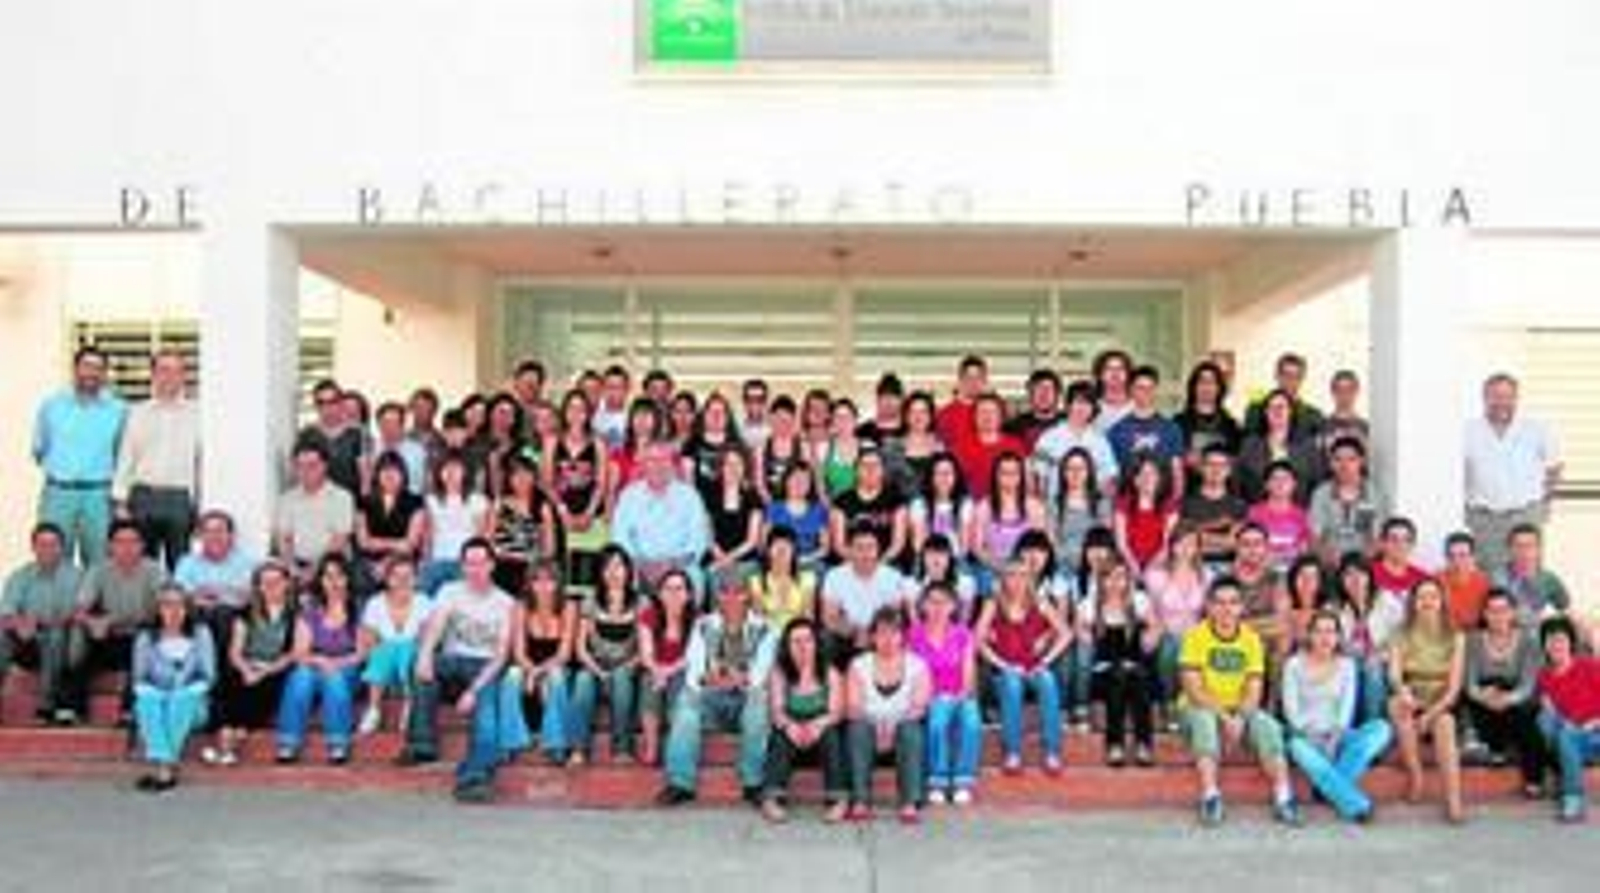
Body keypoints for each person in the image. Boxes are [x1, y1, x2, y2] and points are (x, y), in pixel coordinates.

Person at [1178, 577, 1301, 827]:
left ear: (1241, 607)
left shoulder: (1250, 640)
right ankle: (1210, 796)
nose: (1226, 609)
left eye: (1233, 603)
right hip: (1200, 705)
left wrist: (1242, 718)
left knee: (1267, 725)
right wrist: (1225, 718)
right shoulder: (1195, 637)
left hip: (1239, 708)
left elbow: (1254, 690)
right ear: (1209, 606)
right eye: (1220, 603)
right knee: (1204, 721)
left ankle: (1283, 796)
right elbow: (1193, 690)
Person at [403, 538, 517, 802]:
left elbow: (501, 656)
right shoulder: (449, 591)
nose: (474, 569)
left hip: (485, 667)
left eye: (480, 563)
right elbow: (435, 628)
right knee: (419, 663)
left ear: (492, 566)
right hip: (453, 660)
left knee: (487, 710)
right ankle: (422, 744)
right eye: (469, 563)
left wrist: (474, 691)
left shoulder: (506, 603)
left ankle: (474, 777)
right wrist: (424, 655)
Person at [657, 574, 777, 807]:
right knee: (687, 702)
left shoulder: (765, 628)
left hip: (745, 700)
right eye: (725, 592)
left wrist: (728, 679)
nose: (731, 598)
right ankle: (680, 783)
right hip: (711, 699)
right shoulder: (703, 626)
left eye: (738, 592)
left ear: (748, 596)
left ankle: (753, 782)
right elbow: (695, 673)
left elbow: (759, 675)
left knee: (758, 700)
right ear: (717, 597)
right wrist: (720, 679)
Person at [1281, 610, 1393, 823]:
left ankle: (1327, 789)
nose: (1325, 637)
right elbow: (1292, 713)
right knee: (1298, 749)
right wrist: (1315, 735)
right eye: (1319, 631)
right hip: (1306, 738)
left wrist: (1336, 735)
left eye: (1331, 631)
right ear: (1309, 635)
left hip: (1339, 736)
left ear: (1339, 637)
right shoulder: (1294, 665)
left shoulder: (1346, 665)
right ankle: (1356, 805)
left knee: (1381, 728)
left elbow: (1346, 708)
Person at [32, 345, 126, 567]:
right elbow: (39, 449)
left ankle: (91, 604)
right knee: (51, 559)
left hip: (99, 496)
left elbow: (123, 454)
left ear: (105, 374)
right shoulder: (51, 406)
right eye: (86, 366)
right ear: (75, 369)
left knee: (100, 562)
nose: (91, 373)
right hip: (58, 493)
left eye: (98, 368)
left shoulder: (119, 410)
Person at [977, 562, 1070, 775]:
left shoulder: (1040, 602)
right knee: (1012, 683)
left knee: (1047, 679)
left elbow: (1066, 633)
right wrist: (1004, 665)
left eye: (1023, 575)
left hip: (1033, 667)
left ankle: (1052, 752)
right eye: (1011, 574)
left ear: (1030, 579)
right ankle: (1013, 752)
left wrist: (1046, 660)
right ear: (1004, 579)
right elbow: (977, 640)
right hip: (1004, 671)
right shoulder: (993, 603)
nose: (1017, 580)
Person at [1463, 372, 1560, 572]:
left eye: (1507, 396)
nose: (1501, 402)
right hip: (1484, 519)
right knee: (1490, 577)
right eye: (1495, 396)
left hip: (1525, 514)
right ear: (1485, 397)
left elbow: (1554, 467)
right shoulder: (1468, 430)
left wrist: (1544, 505)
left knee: (1529, 577)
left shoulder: (1535, 429)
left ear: (1516, 398)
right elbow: (1458, 473)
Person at [1388, 578, 1467, 823]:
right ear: (1413, 602)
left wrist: (1431, 714)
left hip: (1442, 698)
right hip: (1413, 693)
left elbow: (1454, 689)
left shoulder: (1456, 635)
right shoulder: (1401, 632)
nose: (1427, 602)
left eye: (1433, 596)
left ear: (1442, 600)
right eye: (1422, 597)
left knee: (1445, 724)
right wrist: (1403, 691)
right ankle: (1416, 774)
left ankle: (1453, 799)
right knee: (1396, 704)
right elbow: (1394, 673)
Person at [70, 520, 166, 722]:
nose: (127, 548)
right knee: (81, 644)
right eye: (120, 542)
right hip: (110, 634)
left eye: (133, 542)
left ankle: (128, 711)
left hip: (142, 634)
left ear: (142, 546)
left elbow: (168, 606)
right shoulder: (99, 570)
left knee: (142, 644)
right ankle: (72, 708)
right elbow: (79, 610)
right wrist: (92, 622)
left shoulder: (155, 570)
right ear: (110, 546)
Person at [202, 560, 296, 766]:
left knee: (265, 687)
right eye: (265, 582)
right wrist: (246, 669)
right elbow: (235, 652)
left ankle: (228, 744)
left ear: (287, 584)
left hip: (275, 668)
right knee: (232, 680)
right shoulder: (245, 613)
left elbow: (292, 654)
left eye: (277, 581)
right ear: (258, 586)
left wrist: (265, 671)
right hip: (246, 664)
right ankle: (228, 737)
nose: (271, 587)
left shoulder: (295, 615)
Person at [113, 350, 200, 570]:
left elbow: (201, 463)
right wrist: (121, 502)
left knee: (180, 566)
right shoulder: (138, 412)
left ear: (184, 376)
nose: (169, 376)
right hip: (143, 496)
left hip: (179, 498)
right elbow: (126, 456)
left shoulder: (198, 414)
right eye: (163, 370)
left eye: (175, 370)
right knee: (142, 567)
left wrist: (201, 504)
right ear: (153, 374)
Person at [845, 606, 932, 824]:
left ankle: (909, 802)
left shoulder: (917, 665)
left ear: (903, 636)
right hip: (868, 727)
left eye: (894, 632)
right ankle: (860, 801)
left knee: (911, 729)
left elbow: (919, 706)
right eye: (881, 632)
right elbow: (853, 706)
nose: (888, 638)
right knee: (858, 728)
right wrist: (877, 725)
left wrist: (893, 727)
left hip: (902, 728)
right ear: (872, 636)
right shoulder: (859, 665)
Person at [275, 555, 362, 765]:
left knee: (335, 679)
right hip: (314, 663)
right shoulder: (309, 611)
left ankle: (338, 743)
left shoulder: (359, 609)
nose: (333, 582)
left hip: (348, 667)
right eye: (328, 576)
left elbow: (362, 653)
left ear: (348, 579)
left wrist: (335, 665)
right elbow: (299, 652)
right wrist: (322, 662)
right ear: (320, 581)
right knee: (301, 676)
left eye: (339, 576)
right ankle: (288, 743)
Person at [761, 617, 848, 824]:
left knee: (832, 735)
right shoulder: (779, 673)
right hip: (792, 736)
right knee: (780, 735)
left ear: (816, 644)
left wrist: (817, 725)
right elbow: (776, 710)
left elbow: (837, 711)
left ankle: (837, 800)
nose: (802, 647)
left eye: (808, 640)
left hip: (821, 735)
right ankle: (772, 798)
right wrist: (790, 726)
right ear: (787, 646)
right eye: (795, 641)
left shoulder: (830, 673)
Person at [130, 584, 216, 792]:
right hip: (155, 703)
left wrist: (184, 691)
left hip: (193, 705)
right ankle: (166, 767)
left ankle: (162, 765)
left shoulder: (200, 634)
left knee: (181, 698)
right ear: (158, 609)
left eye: (180, 604)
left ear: (188, 608)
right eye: (167, 605)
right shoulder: (146, 638)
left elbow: (209, 676)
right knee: (148, 701)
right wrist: (159, 694)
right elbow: (139, 679)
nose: (174, 611)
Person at [1462, 589, 1545, 796]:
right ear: (1485, 614)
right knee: (1473, 701)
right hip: (1483, 700)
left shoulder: (1528, 641)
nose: (1498, 615)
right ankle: (1494, 746)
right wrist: (1483, 696)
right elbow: (1469, 683)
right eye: (1492, 610)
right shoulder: (1473, 640)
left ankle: (1533, 779)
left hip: (1517, 700)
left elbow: (1528, 685)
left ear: (1513, 613)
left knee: (1525, 719)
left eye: (1503, 609)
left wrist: (1507, 699)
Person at [0, 524, 85, 725]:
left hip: (62, 638)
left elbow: (78, 613)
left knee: (55, 636)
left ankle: (46, 705)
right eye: (42, 544)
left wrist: (39, 622)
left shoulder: (76, 576)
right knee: (2, 638)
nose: (47, 549)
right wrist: (20, 624)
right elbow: (6, 613)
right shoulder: (20, 576)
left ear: (62, 548)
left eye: (53, 544)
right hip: (27, 639)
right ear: (33, 547)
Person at [910, 581, 982, 805]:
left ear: (953, 606)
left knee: (971, 719)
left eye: (944, 602)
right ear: (922, 606)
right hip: (928, 696)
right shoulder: (914, 635)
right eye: (932, 601)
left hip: (960, 695)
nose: (938, 607)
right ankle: (937, 781)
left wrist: (962, 694)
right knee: (938, 719)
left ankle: (963, 780)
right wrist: (933, 697)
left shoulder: (963, 634)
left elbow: (969, 672)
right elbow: (912, 673)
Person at [569, 546, 642, 764]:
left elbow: (644, 650)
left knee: (620, 677)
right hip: (595, 665)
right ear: (600, 572)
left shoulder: (641, 603)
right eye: (607, 566)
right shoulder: (590, 601)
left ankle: (622, 748)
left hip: (627, 668)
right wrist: (599, 672)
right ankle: (578, 749)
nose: (613, 572)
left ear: (628, 570)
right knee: (582, 680)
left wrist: (628, 666)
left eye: (619, 565)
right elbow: (580, 648)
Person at [610, 440, 712, 596]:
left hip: (681, 568)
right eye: (652, 460)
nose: (658, 465)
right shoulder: (629, 496)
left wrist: (670, 565)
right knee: (623, 582)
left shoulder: (690, 496)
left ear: (672, 464)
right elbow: (620, 538)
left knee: (686, 584)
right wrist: (641, 564)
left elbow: (698, 540)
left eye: (664, 459)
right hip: (639, 568)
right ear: (643, 465)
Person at [500, 559, 577, 765]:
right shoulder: (521, 606)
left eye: (549, 580)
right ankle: (511, 742)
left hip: (557, 667)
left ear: (558, 583)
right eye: (537, 580)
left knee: (556, 676)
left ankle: (555, 744)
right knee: (511, 676)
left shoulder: (569, 607)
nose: (543, 587)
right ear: (530, 584)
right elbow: (518, 651)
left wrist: (541, 672)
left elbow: (564, 654)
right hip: (527, 665)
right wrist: (532, 671)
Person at [1085, 557, 1158, 766]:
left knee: (1138, 677)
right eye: (1108, 577)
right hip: (1102, 672)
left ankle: (1144, 744)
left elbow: (1156, 627)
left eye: (1121, 577)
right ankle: (1115, 744)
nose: (1115, 583)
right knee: (1118, 675)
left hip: (1134, 669)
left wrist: (1151, 636)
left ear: (1128, 579)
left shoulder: (1138, 601)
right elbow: (1082, 636)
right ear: (1101, 580)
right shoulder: (1091, 604)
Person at [820, 521, 916, 669]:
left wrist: (872, 635)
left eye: (870, 547)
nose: (865, 553)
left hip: (881, 633)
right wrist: (854, 631)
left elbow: (893, 616)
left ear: (878, 550)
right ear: (850, 550)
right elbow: (829, 617)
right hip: (847, 634)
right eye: (859, 548)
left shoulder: (893, 576)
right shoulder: (834, 576)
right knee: (826, 638)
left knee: (899, 636)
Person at [356, 555, 434, 736]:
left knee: (407, 649)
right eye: (396, 576)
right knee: (385, 649)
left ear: (416, 579)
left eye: (408, 576)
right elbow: (369, 639)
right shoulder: (375, 603)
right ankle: (374, 709)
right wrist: (386, 650)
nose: (402, 581)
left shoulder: (424, 602)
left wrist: (400, 648)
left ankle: (410, 705)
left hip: (412, 663)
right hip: (381, 666)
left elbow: (425, 639)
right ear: (387, 579)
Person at [545, 389, 613, 591]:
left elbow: (602, 482)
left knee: (588, 574)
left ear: (588, 413)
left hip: (590, 512)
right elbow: (547, 481)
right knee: (562, 572)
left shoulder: (598, 442)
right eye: (571, 408)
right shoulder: (552, 441)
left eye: (581, 409)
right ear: (564, 412)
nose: (576, 413)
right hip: (561, 511)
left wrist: (589, 513)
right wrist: (563, 511)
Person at [1536, 615, 1600, 824]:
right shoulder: (1544, 676)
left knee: (1568, 733)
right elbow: (1550, 721)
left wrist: (1594, 722)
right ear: (1544, 645)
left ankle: (1573, 796)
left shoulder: (1590, 666)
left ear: (1571, 642)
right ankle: (1571, 775)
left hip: (1595, 734)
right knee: (1547, 721)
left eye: (1561, 639)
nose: (1556, 645)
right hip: (1568, 736)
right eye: (1550, 640)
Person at [1328, 553, 1405, 724]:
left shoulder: (1387, 602)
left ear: (1369, 577)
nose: (1355, 580)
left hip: (1383, 667)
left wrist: (1379, 655)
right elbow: (1330, 645)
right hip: (1348, 665)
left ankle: (1372, 725)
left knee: (1372, 667)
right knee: (1351, 667)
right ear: (1341, 580)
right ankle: (1347, 726)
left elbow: (1400, 642)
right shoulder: (1334, 608)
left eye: (1361, 573)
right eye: (1348, 574)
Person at [1144, 524, 1209, 724]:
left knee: (1188, 644)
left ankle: (1188, 701)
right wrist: (1154, 630)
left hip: (1196, 634)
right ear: (1171, 546)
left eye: (1192, 544)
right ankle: (1169, 701)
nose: (1186, 549)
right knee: (1172, 645)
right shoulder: (1156, 576)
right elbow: (1150, 611)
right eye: (1181, 543)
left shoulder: (1206, 575)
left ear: (1198, 548)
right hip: (1165, 632)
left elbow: (1209, 613)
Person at [173, 510, 258, 658]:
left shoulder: (247, 563)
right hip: (197, 615)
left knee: (223, 614)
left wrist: (209, 592)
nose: (214, 537)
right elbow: (179, 594)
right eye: (208, 531)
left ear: (231, 536)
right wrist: (225, 592)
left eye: (219, 531)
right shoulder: (187, 562)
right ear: (200, 536)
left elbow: (248, 596)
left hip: (234, 618)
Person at [637, 569, 696, 766]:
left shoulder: (698, 619)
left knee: (678, 683)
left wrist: (667, 672)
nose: (674, 594)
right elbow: (646, 655)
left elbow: (693, 657)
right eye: (668, 589)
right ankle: (652, 746)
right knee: (648, 681)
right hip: (655, 671)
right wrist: (658, 671)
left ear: (689, 594)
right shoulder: (649, 615)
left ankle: (675, 745)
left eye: (679, 589)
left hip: (683, 672)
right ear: (660, 593)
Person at [273, 442, 355, 578]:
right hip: (296, 566)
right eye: (299, 466)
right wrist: (291, 567)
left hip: (333, 567)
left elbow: (339, 540)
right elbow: (284, 538)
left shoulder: (342, 497)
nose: (305, 472)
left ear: (325, 466)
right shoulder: (286, 499)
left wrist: (314, 570)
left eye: (312, 466)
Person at [1033, 380, 1120, 506]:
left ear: (1093, 408)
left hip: (1091, 511)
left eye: (1088, 403)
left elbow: (1110, 478)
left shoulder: (1101, 441)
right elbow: (1041, 478)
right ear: (1068, 405)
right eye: (1078, 402)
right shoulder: (1047, 438)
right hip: (1056, 509)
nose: (1082, 408)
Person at [971, 452, 1049, 589]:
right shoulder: (984, 507)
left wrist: (1024, 569)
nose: (1009, 477)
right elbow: (977, 548)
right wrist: (1000, 566)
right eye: (1004, 473)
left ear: (1021, 476)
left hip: (1027, 568)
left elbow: (1041, 545)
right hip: (993, 566)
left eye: (1014, 473)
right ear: (996, 476)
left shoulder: (1034, 506)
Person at [1106, 365, 1185, 496]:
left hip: (1162, 504)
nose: (1146, 392)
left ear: (1156, 390)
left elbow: (1177, 473)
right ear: (1131, 390)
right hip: (1129, 504)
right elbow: (1113, 476)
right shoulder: (1116, 431)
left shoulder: (1171, 429)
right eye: (1140, 388)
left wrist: (1175, 504)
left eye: (1150, 388)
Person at [421, 451, 491, 596]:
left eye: (457, 468)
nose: (451, 473)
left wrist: (477, 566)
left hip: (466, 564)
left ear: (465, 472)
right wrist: (425, 561)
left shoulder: (478, 500)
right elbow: (429, 534)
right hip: (438, 560)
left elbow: (481, 537)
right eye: (445, 468)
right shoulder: (431, 500)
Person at [1236, 389, 1323, 504]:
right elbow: (1238, 483)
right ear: (1265, 412)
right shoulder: (1250, 445)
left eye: (1282, 407)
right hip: (1257, 514)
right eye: (1272, 407)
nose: (1277, 411)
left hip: (1299, 514)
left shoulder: (1307, 446)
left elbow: (1318, 484)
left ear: (1291, 412)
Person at [1308, 437, 1385, 565]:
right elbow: (1314, 537)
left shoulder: (1373, 494)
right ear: (1331, 463)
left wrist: (1359, 562)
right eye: (1337, 459)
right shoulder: (1321, 494)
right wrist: (1327, 555)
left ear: (1361, 461)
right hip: (1330, 563)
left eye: (1351, 459)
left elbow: (1378, 539)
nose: (1344, 465)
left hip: (1364, 564)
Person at [488, 453, 558, 596]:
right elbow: (487, 539)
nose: (522, 479)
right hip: (501, 566)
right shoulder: (499, 504)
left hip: (529, 570)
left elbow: (550, 548)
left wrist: (537, 565)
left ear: (534, 477)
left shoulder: (542, 507)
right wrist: (499, 554)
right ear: (509, 478)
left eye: (526, 474)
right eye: (516, 474)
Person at [355, 453, 426, 593]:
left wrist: (387, 563)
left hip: (403, 562)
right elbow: (363, 541)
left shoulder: (416, 501)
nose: (389, 475)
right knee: (361, 577)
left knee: (399, 574)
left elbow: (411, 544)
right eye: (384, 470)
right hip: (369, 563)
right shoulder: (364, 501)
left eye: (394, 470)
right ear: (377, 474)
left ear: (403, 474)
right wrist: (397, 543)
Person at [829, 448, 910, 568]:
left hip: (886, 562)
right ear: (856, 470)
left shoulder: (897, 500)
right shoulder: (842, 501)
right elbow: (839, 545)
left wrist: (878, 565)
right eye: (865, 465)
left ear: (882, 471)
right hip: (851, 563)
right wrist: (861, 564)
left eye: (875, 465)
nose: (870, 470)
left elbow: (898, 543)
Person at [1179, 444, 1249, 567]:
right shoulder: (1186, 503)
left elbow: (1234, 543)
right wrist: (1221, 531)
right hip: (1192, 566)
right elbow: (1184, 540)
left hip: (1229, 567)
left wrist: (1197, 533)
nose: (1216, 470)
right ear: (1201, 468)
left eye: (1222, 465)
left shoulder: (1239, 505)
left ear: (1229, 470)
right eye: (1210, 464)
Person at [1174, 361, 1242, 485]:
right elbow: (1173, 459)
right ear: (1193, 387)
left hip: (1222, 494)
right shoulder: (1178, 422)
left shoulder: (1231, 425)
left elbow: (1236, 461)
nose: (1207, 387)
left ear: (1219, 388)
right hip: (1189, 492)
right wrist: (1185, 459)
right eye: (1202, 382)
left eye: (1212, 382)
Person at [1496, 523, 1575, 630]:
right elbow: (1508, 614)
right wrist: (1544, 619)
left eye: (1529, 546)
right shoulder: (1499, 578)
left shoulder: (1548, 578)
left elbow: (1566, 608)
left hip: (1540, 633)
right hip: (1511, 635)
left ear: (1538, 549)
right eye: (1518, 546)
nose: (1524, 552)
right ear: (1510, 549)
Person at [296, 379, 366, 496]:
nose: (326, 407)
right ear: (316, 405)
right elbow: (301, 474)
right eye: (321, 402)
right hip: (317, 503)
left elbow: (365, 478)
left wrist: (363, 507)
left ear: (340, 403)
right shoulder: (307, 434)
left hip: (349, 503)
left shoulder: (356, 433)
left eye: (332, 401)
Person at [704, 446, 763, 582]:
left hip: (745, 560)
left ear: (745, 467)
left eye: (738, 464)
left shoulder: (753, 496)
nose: (733, 469)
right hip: (715, 558)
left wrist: (727, 560)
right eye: (728, 464)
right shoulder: (709, 495)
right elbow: (707, 535)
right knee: (715, 576)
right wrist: (720, 558)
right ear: (721, 468)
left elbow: (752, 541)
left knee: (739, 576)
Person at [1052, 447, 1111, 582]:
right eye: (1070, 468)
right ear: (1063, 473)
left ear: (1089, 472)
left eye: (1081, 468)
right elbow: (1052, 541)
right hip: (1063, 568)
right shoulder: (1054, 504)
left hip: (1096, 566)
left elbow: (1105, 541)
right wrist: (1071, 562)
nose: (1076, 473)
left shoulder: (1102, 503)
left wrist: (1088, 563)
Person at [953, 393, 1024, 503]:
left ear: (1001, 417)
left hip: (1008, 509)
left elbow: (1026, 480)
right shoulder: (959, 447)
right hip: (971, 509)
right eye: (983, 412)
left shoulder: (1015, 445)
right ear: (974, 416)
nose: (988, 416)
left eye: (993, 412)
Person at [909, 452, 976, 566]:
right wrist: (933, 563)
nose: (944, 478)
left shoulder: (965, 503)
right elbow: (918, 544)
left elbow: (964, 546)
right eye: (939, 473)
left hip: (956, 560)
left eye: (948, 473)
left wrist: (949, 562)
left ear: (956, 476)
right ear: (931, 477)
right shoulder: (919, 504)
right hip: (926, 561)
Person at [1114, 454, 1177, 574]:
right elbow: (1121, 544)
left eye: (1152, 473)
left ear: (1160, 477)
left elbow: (1167, 545)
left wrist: (1150, 569)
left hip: (1160, 564)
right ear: (1134, 479)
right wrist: (1133, 566)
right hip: (1128, 563)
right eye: (1142, 474)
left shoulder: (1169, 505)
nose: (1147, 479)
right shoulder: (1123, 503)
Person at [1243, 353, 1325, 443]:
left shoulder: (1314, 417)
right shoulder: (1256, 411)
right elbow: (1249, 445)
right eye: (1286, 375)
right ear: (1277, 376)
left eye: (1296, 377)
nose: (1291, 381)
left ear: (1302, 379)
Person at [748, 527, 816, 633]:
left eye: (787, 545)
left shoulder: (808, 578)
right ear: (768, 550)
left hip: (798, 633)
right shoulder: (756, 581)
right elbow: (759, 618)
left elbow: (808, 616)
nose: (781, 549)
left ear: (794, 550)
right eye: (776, 545)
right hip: (769, 633)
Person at [765, 462, 829, 571]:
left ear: (810, 485)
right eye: (795, 478)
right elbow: (764, 545)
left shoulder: (818, 510)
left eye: (805, 480)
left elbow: (825, 548)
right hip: (779, 562)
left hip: (809, 561)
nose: (799, 484)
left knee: (820, 569)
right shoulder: (774, 508)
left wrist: (805, 559)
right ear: (786, 481)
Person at [935, 355, 989, 457]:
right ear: (960, 380)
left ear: (985, 381)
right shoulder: (945, 415)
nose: (974, 383)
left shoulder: (993, 414)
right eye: (969, 378)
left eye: (978, 378)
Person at [1439, 532, 1492, 633]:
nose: (1456, 561)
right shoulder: (1436, 582)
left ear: (1473, 557)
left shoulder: (1483, 582)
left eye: (1462, 555)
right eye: (1451, 556)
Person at [1004, 368, 1063, 450]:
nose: (1043, 395)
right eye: (1039, 389)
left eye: (1048, 389)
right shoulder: (1014, 427)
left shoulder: (1068, 423)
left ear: (1057, 394)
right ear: (1030, 394)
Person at [737, 378, 771, 451]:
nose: (755, 404)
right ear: (744, 402)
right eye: (750, 399)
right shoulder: (736, 430)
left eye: (760, 399)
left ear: (766, 402)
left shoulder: (773, 430)